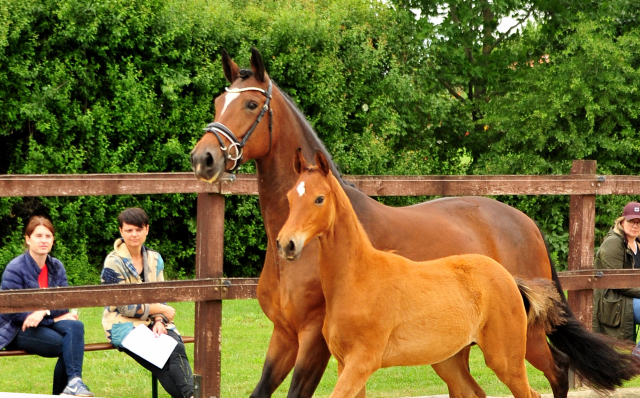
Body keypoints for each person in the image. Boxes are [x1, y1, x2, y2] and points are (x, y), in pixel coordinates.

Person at [100, 207, 194, 398]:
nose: (134, 234)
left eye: (138, 229)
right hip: (121, 324)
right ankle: (193, 395)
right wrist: (159, 309)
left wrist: (159, 319)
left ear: (147, 230)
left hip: (153, 320)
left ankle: (191, 396)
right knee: (163, 358)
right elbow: (123, 306)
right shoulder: (113, 262)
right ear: (121, 231)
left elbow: (160, 294)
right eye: (128, 230)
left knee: (176, 347)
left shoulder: (155, 258)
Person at [0, 216, 94, 397]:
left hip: (43, 320)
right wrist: (54, 317)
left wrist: (44, 312)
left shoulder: (56, 266)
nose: (44, 240)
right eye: (38, 236)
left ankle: (74, 382)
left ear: (53, 240)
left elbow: (64, 303)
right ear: (28, 239)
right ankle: (62, 393)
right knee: (64, 344)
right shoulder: (15, 268)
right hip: (14, 329)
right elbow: (15, 313)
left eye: (48, 236)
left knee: (76, 325)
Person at [593, 201, 640, 345]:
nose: (635, 225)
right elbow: (617, 283)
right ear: (622, 220)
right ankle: (637, 359)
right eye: (631, 221)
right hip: (614, 300)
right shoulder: (613, 243)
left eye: (639, 222)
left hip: (632, 297)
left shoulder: (638, 243)